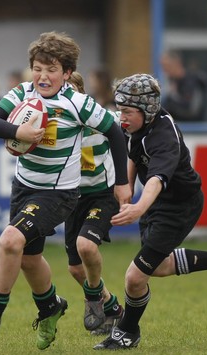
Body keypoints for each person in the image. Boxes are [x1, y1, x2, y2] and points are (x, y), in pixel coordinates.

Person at [0, 31, 131, 350]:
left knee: (9, 240)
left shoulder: (77, 103)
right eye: (38, 68)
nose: (43, 76)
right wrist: (19, 131)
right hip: (23, 188)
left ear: (68, 73)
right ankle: (51, 308)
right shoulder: (22, 93)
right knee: (30, 259)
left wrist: (123, 184)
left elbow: (114, 132)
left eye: (52, 69)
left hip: (58, 194)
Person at [94, 73, 207, 350]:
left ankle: (126, 332)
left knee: (135, 277)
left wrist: (137, 208)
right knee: (157, 267)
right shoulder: (137, 124)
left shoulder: (164, 137)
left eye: (126, 111)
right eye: (119, 109)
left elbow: (157, 180)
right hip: (157, 204)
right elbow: (133, 153)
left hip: (178, 207)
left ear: (147, 110)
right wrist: (125, 185)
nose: (121, 117)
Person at [65, 72, 124, 335]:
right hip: (72, 197)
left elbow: (125, 128)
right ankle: (112, 308)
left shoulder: (100, 117)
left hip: (102, 195)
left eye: (70, 90)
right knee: (76, 269)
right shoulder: (54, 123)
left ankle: (92, 301)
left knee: (86, 245)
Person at [160, 50, 207, 121]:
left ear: (176, 63)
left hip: (195, 128)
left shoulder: (192, 81)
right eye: (163, 66)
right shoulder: (173, 82)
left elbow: (192, 110)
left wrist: (171, 101)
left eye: (166, 66)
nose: (164, 70)